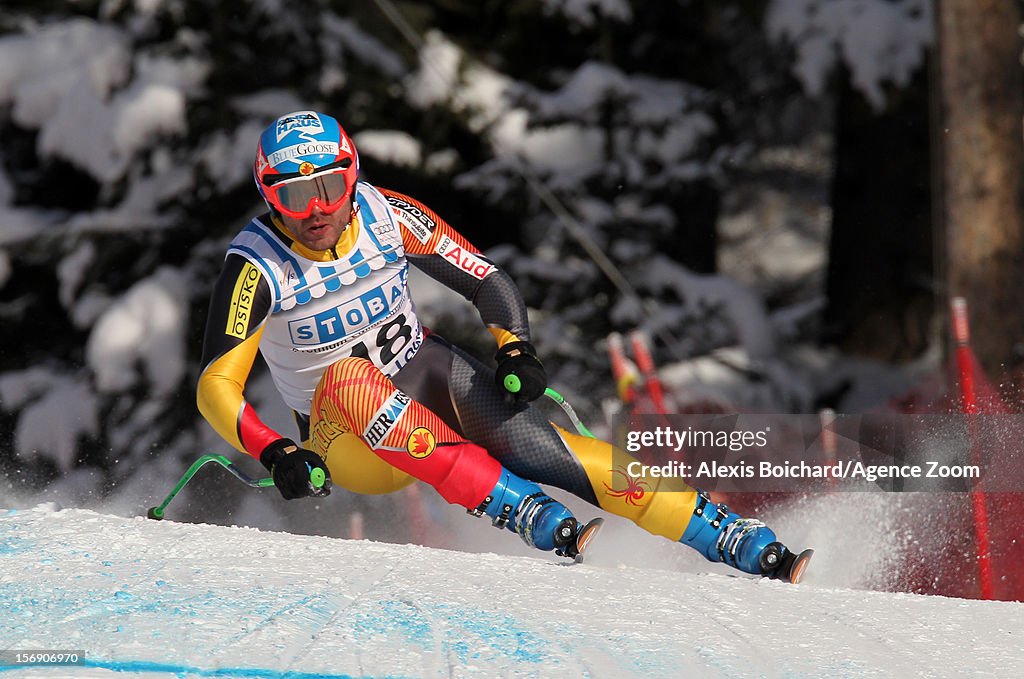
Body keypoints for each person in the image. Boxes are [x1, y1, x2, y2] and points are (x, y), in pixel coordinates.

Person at [197, 110, 811, 580]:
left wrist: (515, 348)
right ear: (269, 196)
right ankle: (520, 509)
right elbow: (215, 387)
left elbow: (484, 278)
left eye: (330, 187)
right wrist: (276, 451)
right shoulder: (257, 266)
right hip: (348, 441)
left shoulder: (389, 214)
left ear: (352, 174)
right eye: (294, 197)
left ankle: (734, 538)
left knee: (550, 450)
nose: (317, 210)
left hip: (420, 381)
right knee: (347, 379)